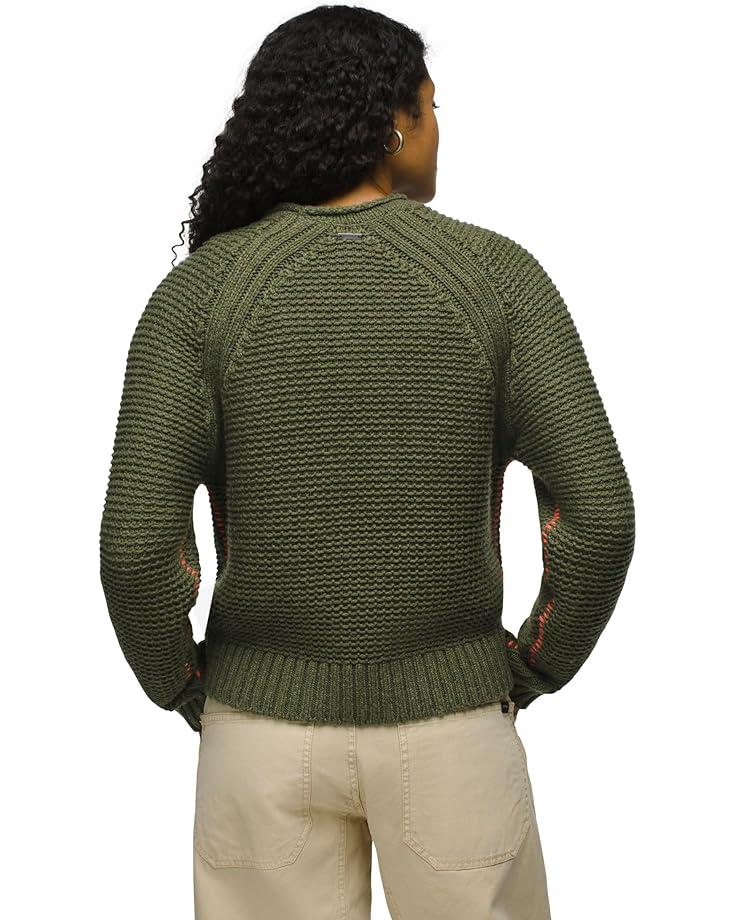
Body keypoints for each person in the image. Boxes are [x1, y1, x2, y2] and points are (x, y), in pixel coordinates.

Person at [99, 5, 635, 918]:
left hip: (258, 739)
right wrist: (530, 668)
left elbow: (136, 547)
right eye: (432, 105)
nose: (438, 127)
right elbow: (600, 514)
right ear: (391, 121)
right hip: (454, 730)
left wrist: (185, 685)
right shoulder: (498, 278)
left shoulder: (200, 295)